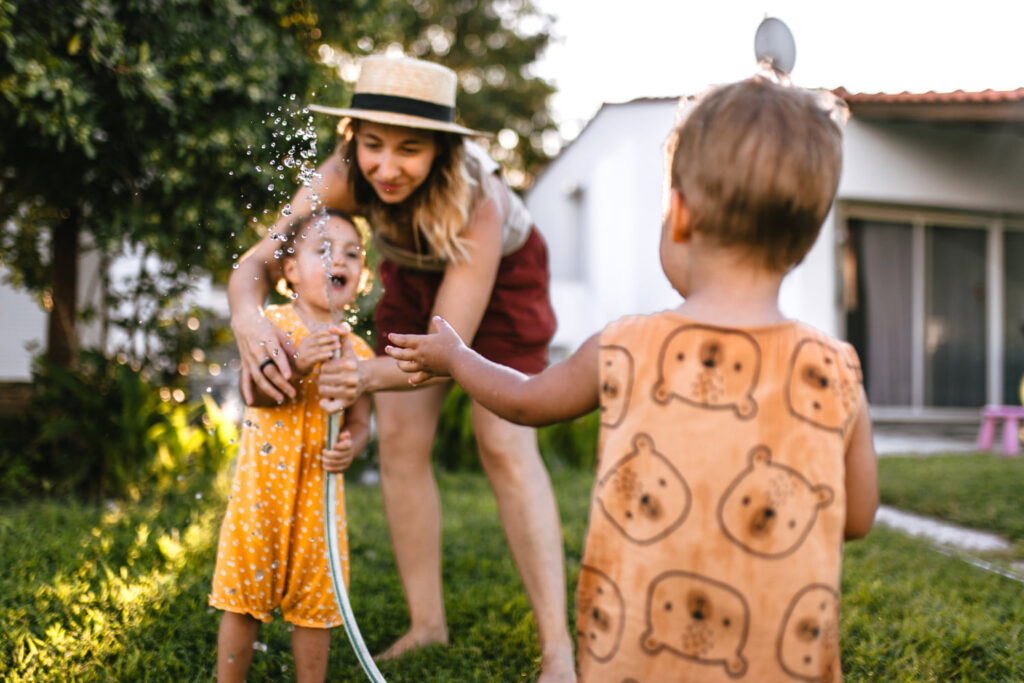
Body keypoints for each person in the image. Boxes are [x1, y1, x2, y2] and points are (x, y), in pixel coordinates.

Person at [385, 76, 880, 681]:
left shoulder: (625, 345)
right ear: (804, 244)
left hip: (635, 658)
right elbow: (855, 519)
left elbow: (522, 401)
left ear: (680, 215)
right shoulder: (838, 370)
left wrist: (457, 356)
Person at [227, 56, 575, 681]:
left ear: (440, 150)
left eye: (409, 150)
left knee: (503, 443)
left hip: (503, 284)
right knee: (402, 444)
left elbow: (447, 352)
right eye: (373, 146)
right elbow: (256, 262)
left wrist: (362, 376)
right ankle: (426, 625)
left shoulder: (480, 202)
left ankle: (558, 650)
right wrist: (248, 320)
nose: (386, 168)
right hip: (417, 277)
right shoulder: (337, 175)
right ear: (352, 138)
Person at [211, 210, 375, 683]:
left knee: (316, 605)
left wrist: (352, 445)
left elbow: (361, 420)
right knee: (243, 599)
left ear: (361, 276)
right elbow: (256, 395)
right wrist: (299, 364)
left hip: (319, 500)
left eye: (350, 253)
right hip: (261, 494)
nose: (337, 260)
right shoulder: (273, 325)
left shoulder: (357, 350)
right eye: (322, 250)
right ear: (290, 272)